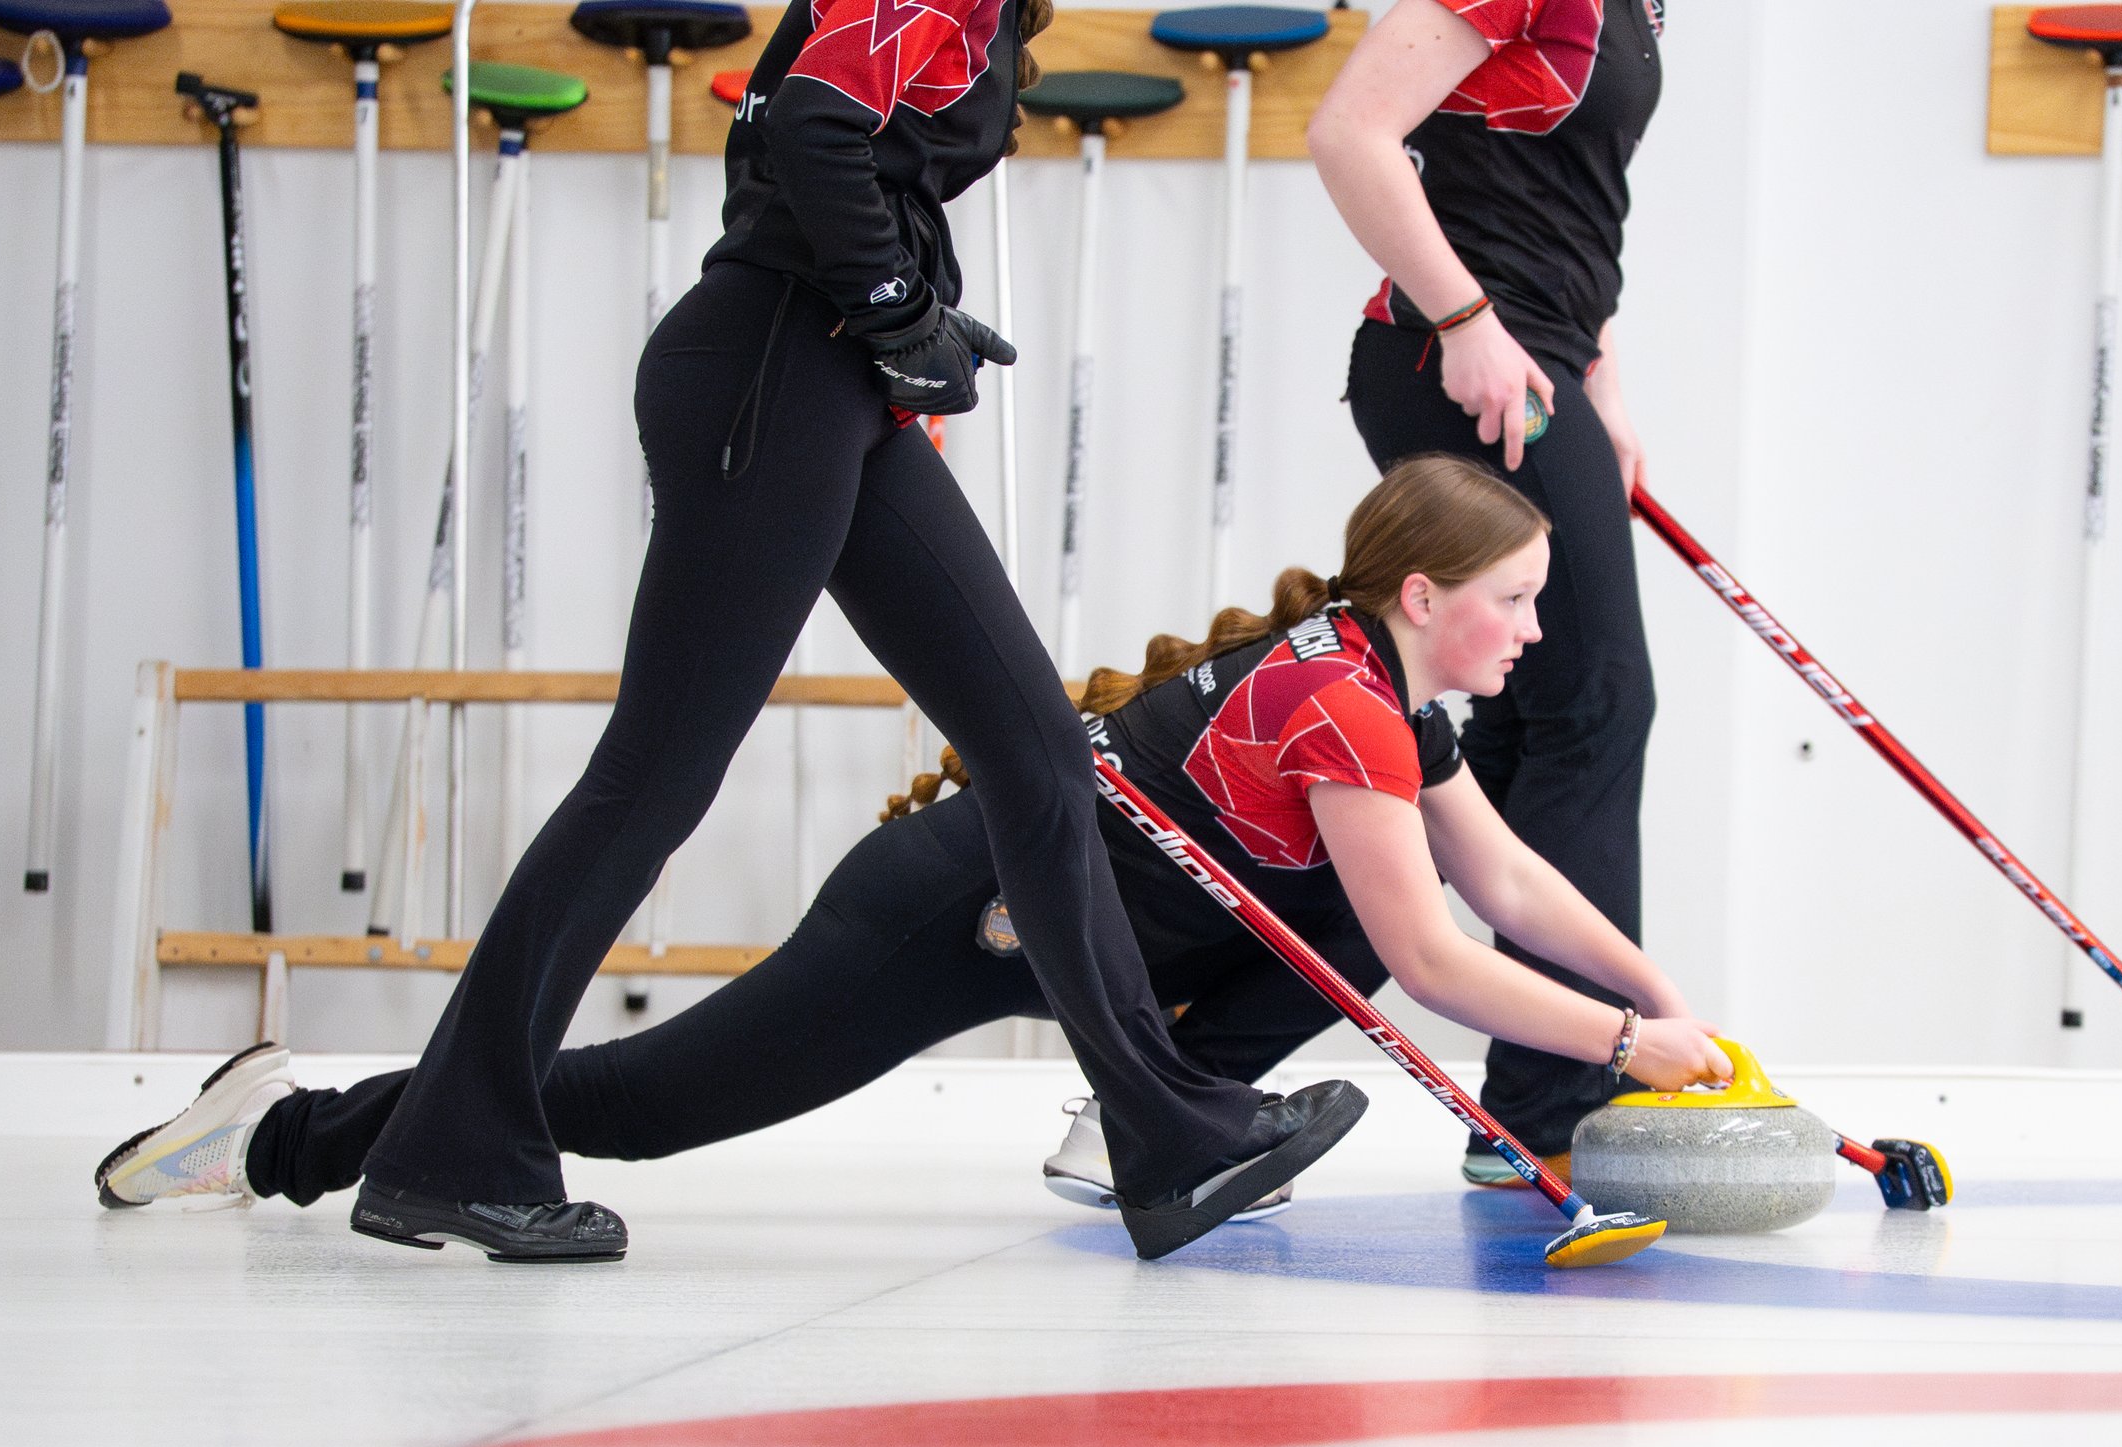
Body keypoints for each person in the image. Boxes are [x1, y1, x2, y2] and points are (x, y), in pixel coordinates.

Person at [212, 0, 1364, 1264]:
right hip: (775, 368)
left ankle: (1170, 1134)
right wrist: (892, 304)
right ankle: (448, 1154)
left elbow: (819, 150)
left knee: (1041, 753)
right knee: (651, 779)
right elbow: (813, 126)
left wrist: (910, 307)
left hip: (833, 376)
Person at [95, 458, 1729, 1227]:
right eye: (1516, 599)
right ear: (1427, 595)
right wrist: (1619, 1045)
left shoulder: (1385, 692)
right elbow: (1444, 956)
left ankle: (1153, 1116)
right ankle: (279, 1132)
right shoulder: (1342, 708)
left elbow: (1507, 881)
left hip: (1077, 933)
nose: (1534, 630)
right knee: (636, 1109)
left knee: (1376, 902)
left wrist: (1668, 1005)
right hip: (944, 913)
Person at [1306, 0, 1668, 1182]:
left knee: (1530, 715)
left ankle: (1528, 1112)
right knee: (1592, 704)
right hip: (1458, 356)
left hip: (1540, 352)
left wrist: (1600, 376)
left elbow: (1568, 195)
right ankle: (1560, 1106)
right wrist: (1464, 319)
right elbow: (1348, 133)